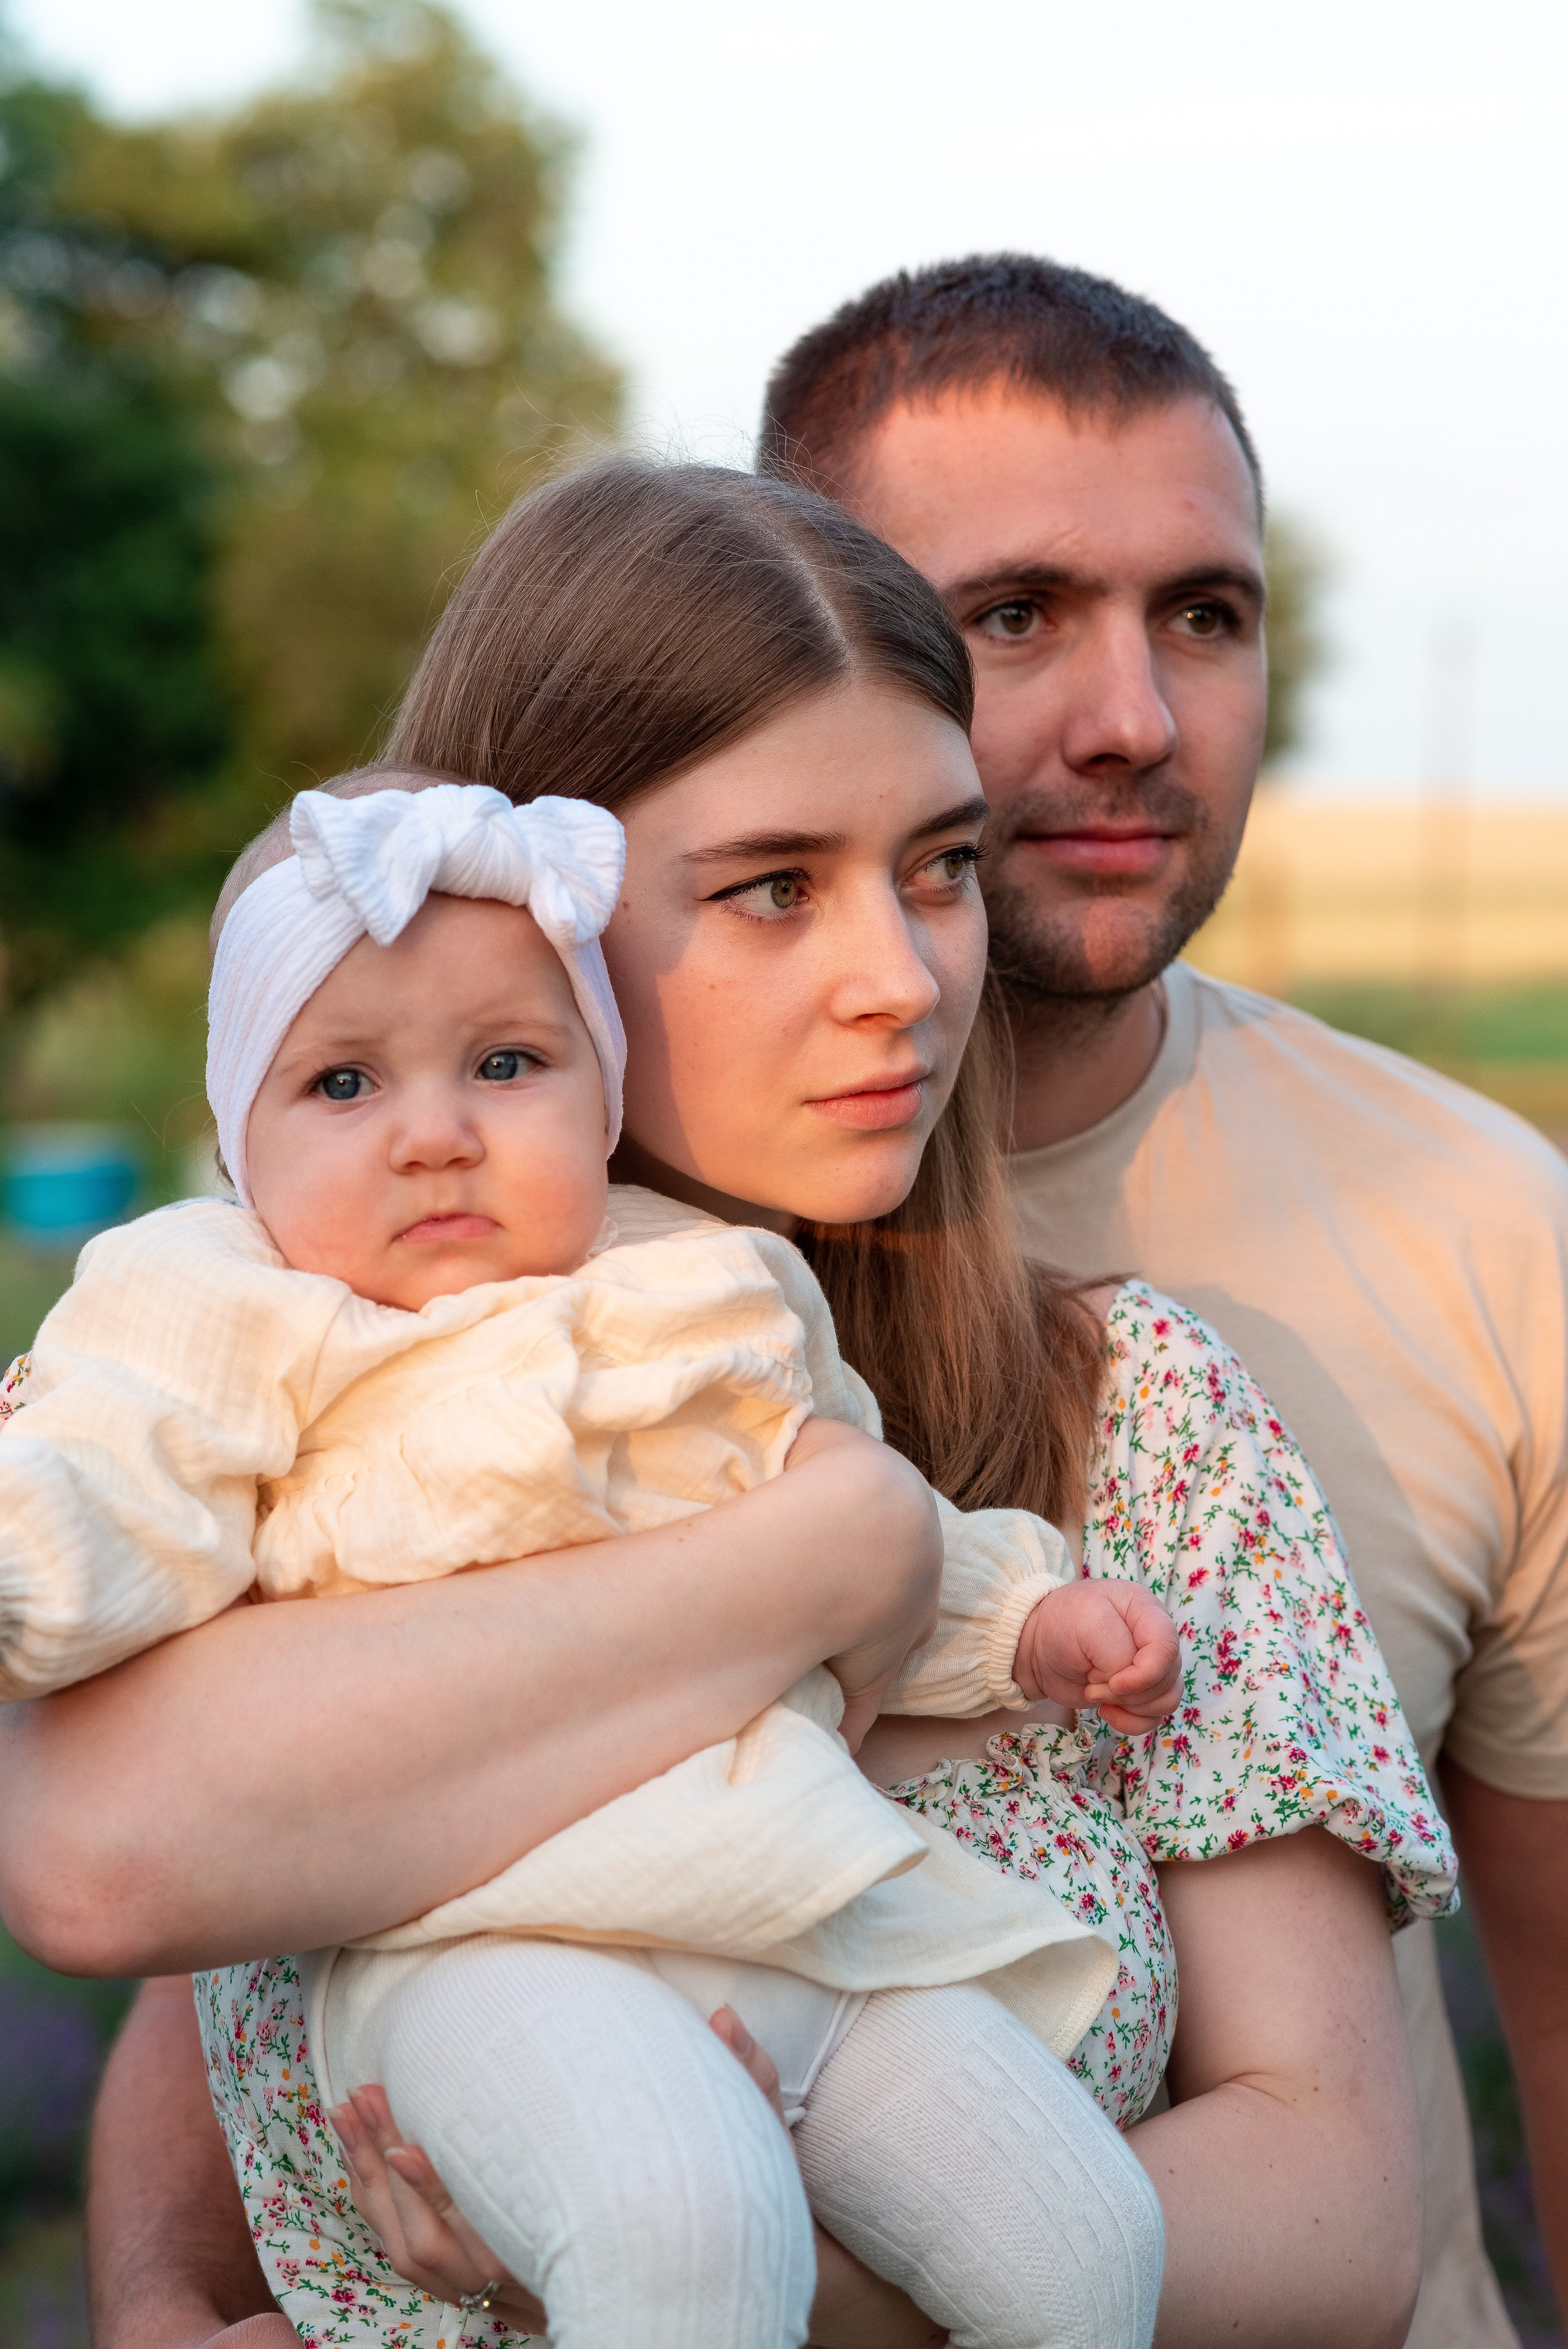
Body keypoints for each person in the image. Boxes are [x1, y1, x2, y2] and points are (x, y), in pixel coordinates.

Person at [18, 459, 1445, 2349]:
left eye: (940, 866)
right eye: (773, 888)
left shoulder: (1135, 1408)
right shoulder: (259, 1368)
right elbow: (123, 1879)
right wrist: (155, 2299)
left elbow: (1344, 2207)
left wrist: (771, 2281)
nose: (902, 979)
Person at [6, 763, 1182, 2348]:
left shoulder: (706, 1285)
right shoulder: (230, 1299)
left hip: (798, 1901)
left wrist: (1028, 1618)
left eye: (506, 1062)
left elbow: (845, 1518)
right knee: (685, 2229)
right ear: (238, 1132)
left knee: (1086, 2240)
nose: (435, 1136)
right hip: (489, 1943)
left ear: (603, 1094)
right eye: (343, 1085)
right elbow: (113, 1474)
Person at [756, 251, 1568, 2348]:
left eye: (1203, 616)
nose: (1133, 721)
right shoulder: (542, 1229)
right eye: (1016, 615)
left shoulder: (1491, 1234)